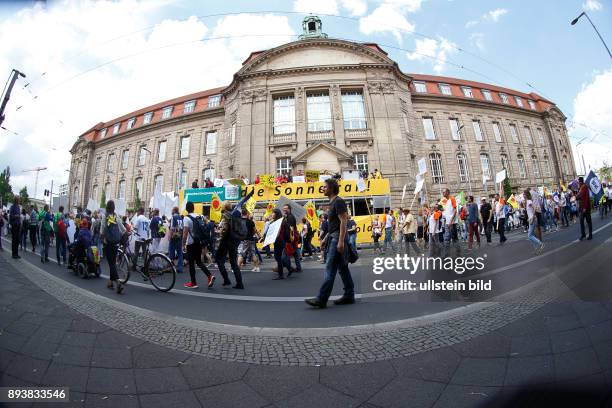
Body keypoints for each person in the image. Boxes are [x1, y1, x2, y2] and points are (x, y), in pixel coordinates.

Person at [305, 178, 355, 308]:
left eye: (325, 187)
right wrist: (325, 238)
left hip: (337, 239)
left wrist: (340, 242)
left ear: (332, 188)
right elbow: (334, 225)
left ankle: (322, 299)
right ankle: (349, 295)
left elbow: (343, 222)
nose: (323, 188)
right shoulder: (332, 202)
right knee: (343, 268)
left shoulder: (338, 202)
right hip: (333, 237)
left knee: (330, 268)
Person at [182, 201, 215, 289]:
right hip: (199, 242)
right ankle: (209, 276)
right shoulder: (199, 216)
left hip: (191, 243)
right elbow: (207, 225)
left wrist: (183, 245)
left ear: (186, 209)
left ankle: (193, 283)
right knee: (199, 262)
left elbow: (185, 233)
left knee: (191, 263)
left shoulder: (186, 218)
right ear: (193, 208)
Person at [215, 201, 244, 289]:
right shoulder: (233, 215)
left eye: (222, 205)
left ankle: (226, 279)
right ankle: (239, 283)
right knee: (233, 262)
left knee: (218, 259)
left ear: (224, 207)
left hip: (225, 241)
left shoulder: (225, 216)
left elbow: (224, 230)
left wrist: (218, 232)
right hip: (234, 241)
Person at [100, 200, 126, 294]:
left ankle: (118, 282)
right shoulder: (116, 216)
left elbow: (102, 230)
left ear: (107, 207)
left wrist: (101, 239)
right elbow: (123, 229)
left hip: (108, 243)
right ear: (114, 207)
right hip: (116, 242)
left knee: (111, 263)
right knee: (113, 262)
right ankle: (110, 282)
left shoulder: (105, 216)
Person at [281, 204, 301, 275]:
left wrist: (291, 239)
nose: (284, 210)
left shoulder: (290, 217)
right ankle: (298, 267)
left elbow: (291, 229)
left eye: (286, 208)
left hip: (291, 238)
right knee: (295, 253)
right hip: (292, 238)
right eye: (283, 208)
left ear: (289, 209)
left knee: (285, 255)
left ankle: (289, 268)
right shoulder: (287, 217)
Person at [524, 190, 545, 254]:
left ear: (526, 195)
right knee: (532, 235)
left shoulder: (529, 201)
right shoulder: (527, 201)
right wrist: (529, 218)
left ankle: (541, 244)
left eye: (524, 194)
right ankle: (536, 249)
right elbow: (530, 211)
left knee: (529, 236)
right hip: (531, 219)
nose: (523, 195)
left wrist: (532, 217)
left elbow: (535, 208)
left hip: (532, 219)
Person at [441, 188, 459, 256]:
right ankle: (446, 254)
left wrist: (451, 221)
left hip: (452, 223)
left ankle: (458, 252)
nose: (443, 193)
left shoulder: (452, 199)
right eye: (443, 192)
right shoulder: (446, 201)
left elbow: (455, 210)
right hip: (447, 223)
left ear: (448, 192)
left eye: (444, 192)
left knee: (454, 239)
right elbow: (447, 212)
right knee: (446, 239)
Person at [167, 207, 183, 273]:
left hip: (174, 236)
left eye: (172, 210)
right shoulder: (180, 217)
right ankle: (180, 267)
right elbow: (182, 228)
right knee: (180, 253)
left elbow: (172, 228)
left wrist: (169, 236)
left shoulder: (174, 217)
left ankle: (170, 267)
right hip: (179, 236)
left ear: (174, 211)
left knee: (171, 251)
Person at [577, 176, 593, 240]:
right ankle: (583, 234)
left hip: (586, 208)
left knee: (589, 221)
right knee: (581, 222)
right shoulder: (580, 188)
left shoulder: (585, 187)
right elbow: (579, 197)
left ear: (581, 181)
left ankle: (590, 235)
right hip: (581, 208)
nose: (578, 182)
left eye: (579, 181)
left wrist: (585, 208)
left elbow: (586, 198)